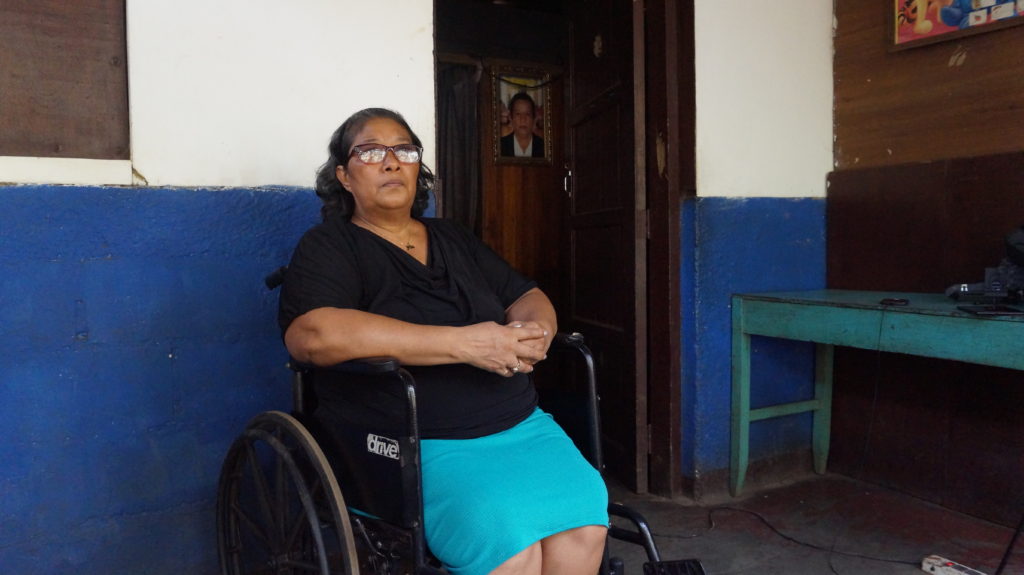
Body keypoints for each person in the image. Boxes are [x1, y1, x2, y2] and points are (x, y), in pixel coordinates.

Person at [278, 108, 607, 575]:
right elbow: (313, 335)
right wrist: (465, 344)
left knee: (584, 524)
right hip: (418, 440)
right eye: (370, 151)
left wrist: (534, 333)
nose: (391, 161)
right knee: (509, 549)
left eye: (404, 149)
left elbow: (526, 295)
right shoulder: (330, 246)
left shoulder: (452, 237)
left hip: (519, 423)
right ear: (344, 177)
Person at [500, 92, 545, 158]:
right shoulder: (500, 146)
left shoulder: (544, 147)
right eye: (518, 114)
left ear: (534, 119)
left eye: (527, 114)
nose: (523, 119)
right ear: (510, 118)